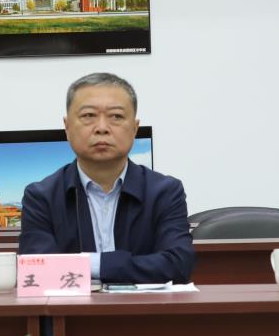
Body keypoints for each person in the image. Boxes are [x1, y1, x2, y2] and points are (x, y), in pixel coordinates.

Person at [18, 72, 193, 285]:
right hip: (71, 307)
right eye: (88, 115)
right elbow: (38, 269)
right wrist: (123, 265)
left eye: (116, 116)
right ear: (67, 127)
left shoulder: (165, 192)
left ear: (135, 128)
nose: (102, 128)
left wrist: (93, 264)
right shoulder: (41, 196)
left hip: (144, 307)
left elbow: (178, 265)